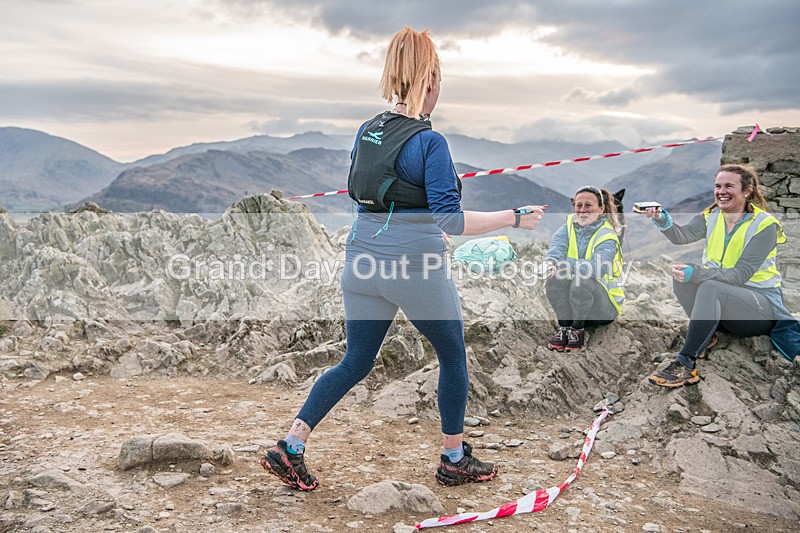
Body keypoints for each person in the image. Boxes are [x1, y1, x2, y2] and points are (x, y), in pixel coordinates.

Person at [260, 26, 546, 491]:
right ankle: (454, 458)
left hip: (360, 265)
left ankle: (291, 444)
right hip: (414, 270)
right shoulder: (431, 144)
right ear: (430, 80)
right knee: (453, 356)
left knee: (355, 360)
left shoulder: (367, 129)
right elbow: (450, 222)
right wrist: (512, 218)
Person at [647, 164, 800, 387]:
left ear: (747, 190)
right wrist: (662, 220)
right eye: (718, 186)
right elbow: (683, 236)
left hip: (759, 308)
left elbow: (740, 275)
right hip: (726, 304)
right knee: (682, 273)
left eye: (729, 186)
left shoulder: (765, 225)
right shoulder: (711, 216)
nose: (721, 191)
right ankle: (707, 335)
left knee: (708, 285)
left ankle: (685, 364)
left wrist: (698, 273)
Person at [542, 185, 625, 352]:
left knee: (582, 280)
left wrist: (566, 264)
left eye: (588, 205)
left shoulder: (607, 236)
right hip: (576, 304)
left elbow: (597, 268)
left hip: (603, 310)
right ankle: (565, 328)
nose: (582, 210)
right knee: (554, 278)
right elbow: (555, 251)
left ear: (601, 209)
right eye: (578, 205)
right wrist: (550, 264)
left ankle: (577, 331)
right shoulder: (567, 227)